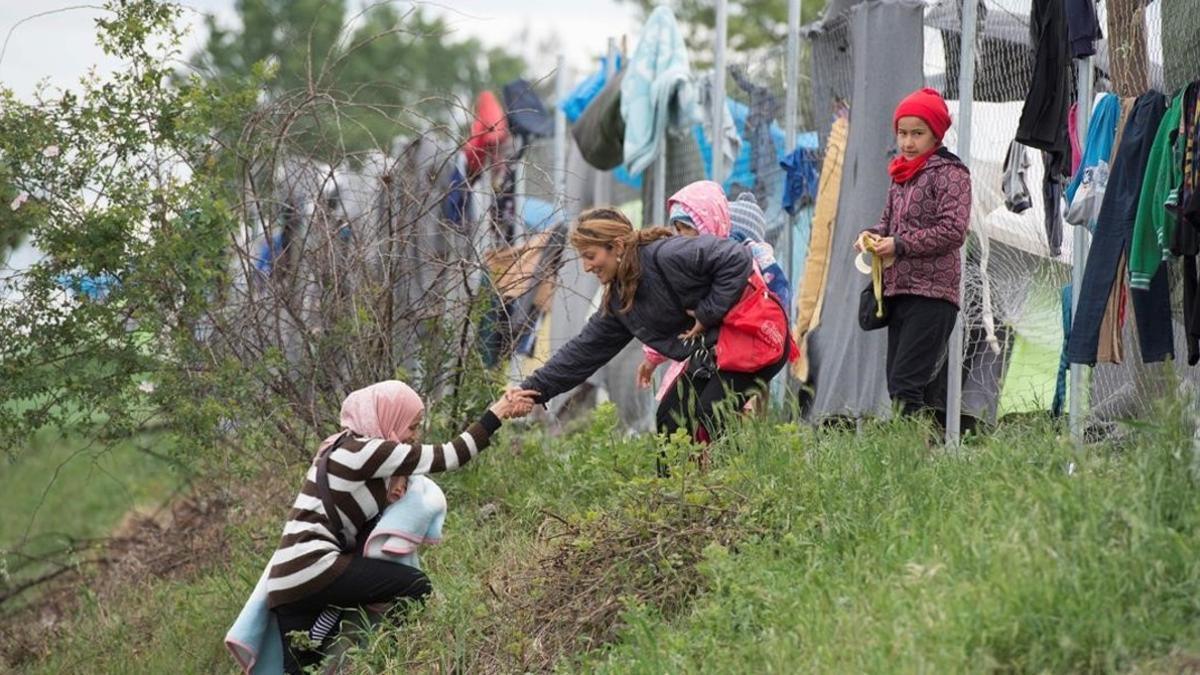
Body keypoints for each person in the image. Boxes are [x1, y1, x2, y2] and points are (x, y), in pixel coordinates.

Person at [268, 380, 535, 673]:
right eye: (412, 426)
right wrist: (499, 411)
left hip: (287, 580)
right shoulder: (366, 451)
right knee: (415, 585)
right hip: (313, 568)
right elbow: (452, 455)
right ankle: (391, 660)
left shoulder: (338, 447)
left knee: (306, 669)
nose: (413, 435)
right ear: (389, 416)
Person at [518, 206, 790, 456]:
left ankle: (729, 490)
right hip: (718, 351)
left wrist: (707, 313)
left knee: (710, 412)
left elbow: (735, 257)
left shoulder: (667, 254)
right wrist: (533, 389)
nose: (587, 266)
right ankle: (676, 498)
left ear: (618, 246)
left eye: (591, 256)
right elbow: (584, 351)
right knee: (671, 417)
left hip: (757, 338)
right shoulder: (623, 298)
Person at [854, 87, 972, 418]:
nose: (907, 142)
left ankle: (913, 458)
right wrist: (871, 236)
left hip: (933, 295)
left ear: (936, 134)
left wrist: (900, 245)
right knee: (899, 386)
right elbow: (886, 224)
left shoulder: (951, 173)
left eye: (917, 134)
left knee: (907, 386)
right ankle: (914, 455)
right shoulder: (900, 176)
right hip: (900, 291)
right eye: (903, 133)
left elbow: (954, 230)